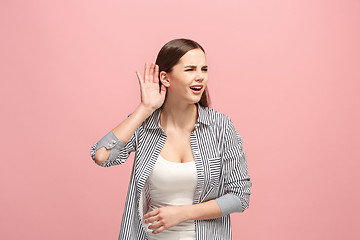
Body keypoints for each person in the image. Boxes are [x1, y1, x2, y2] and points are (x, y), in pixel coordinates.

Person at [90, 38, 252, 240]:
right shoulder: (145, 125)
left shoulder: (220, 126)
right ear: (165, 78)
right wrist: (144, 109)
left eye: (204, 69)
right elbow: (102, 156)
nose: (200, 77)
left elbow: (240, 197)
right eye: (190, 69)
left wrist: (182, 213)